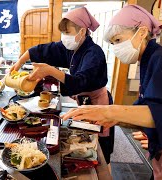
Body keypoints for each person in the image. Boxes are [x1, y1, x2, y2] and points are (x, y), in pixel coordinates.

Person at [61, 5, 162, 179]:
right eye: (113, 43)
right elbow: (148, 106)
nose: (115, 48)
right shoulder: (150, 59)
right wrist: (117, 118)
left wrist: (110, 111)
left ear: (142, 32)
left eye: (118, 40)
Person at [11, 7, 115, 165]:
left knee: (99, 144)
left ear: (82, 31)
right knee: (84, 140)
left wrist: (51, 70)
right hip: (83, 99)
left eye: (68, 32)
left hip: (97, 101)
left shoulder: (94, 53)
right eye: (63, 32)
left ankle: (103, 169)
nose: (65, 37)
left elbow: (80, 82)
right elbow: (44, 50)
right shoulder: (72, 47)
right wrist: (19, 62)